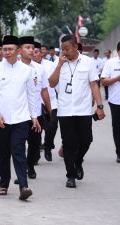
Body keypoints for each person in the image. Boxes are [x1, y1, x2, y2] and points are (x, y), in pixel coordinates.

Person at [0, 35, 40, 200]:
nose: (7, 52)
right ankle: (4, 184)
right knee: (3, 153)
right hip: (1, 119)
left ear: (18, 51)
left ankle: (24, 186)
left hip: (21, 119)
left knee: (18, 151)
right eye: (4, 49)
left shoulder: (27, 71)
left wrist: (34, 117)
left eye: (10, 49)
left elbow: (31, 95)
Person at [48, 35, 105, 188]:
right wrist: (59, 65)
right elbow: (52, 83)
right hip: (65, 110)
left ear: (75, 47)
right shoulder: (60, 63)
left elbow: (94, 85)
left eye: (67, 48)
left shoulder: (88, 62)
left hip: (83, 110)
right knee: (68, 144)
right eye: (63, 49)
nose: (64, 52)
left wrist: (99, 106)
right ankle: (70, 175)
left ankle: (78, 161)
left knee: (86, 140)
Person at [18, 36, 51, 179]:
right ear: (20, 50)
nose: (31, 50)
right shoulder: (14, 67)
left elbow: (44, 90)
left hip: (36, 113)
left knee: (35, 143)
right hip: (19, 113)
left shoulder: (40, 69)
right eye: (27, 47)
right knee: (18, 144)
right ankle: (21, 170)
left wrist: (49, 110)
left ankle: (30, 165)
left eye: (32, 48)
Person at [33, 41, 57, 162]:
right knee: (36, 130)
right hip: (36, 104)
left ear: (41, 53)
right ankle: (35, 154)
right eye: (33, 51)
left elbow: (56, 83)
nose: (34, 54)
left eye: (37, 52)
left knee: (52, 127)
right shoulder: (26, 66)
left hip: (52, 101)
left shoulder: (50, 65)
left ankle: (48, 147)